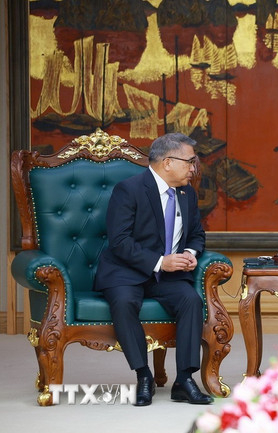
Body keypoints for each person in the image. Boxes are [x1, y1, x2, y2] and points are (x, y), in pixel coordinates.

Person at [94, 133, 213, 406]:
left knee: (191, 300)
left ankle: (184, 380)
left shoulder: (187, 193)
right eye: (190, 162)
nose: (194, 169)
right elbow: (120, 241)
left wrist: (189, 253)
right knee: (124, 302)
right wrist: (160, 261)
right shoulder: (129, 189)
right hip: (126, 271)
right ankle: (144, 375)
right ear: (168, 162)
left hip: (168, 275)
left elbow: (197, 234)